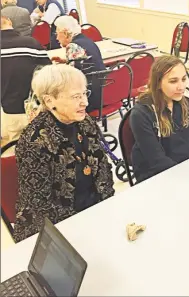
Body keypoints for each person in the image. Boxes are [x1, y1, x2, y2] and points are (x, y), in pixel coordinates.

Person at [13, 64, 115, 243]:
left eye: (85, 93)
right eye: (76, 97)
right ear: (50, 101)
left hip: (95, 214)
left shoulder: (85, 123)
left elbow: (103, 170)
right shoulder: (35, 141)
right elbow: (39, 207)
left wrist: (109, 210)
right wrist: (82, 229)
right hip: (59, 229)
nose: (85, 102)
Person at [130, 55, 189, 183]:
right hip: (155, 176)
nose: (181, 87)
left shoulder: (187, 102)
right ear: (158, 83)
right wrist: (186, 180)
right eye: (173, 81)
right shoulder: (141, 114)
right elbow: (157, 160)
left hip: (185, 170)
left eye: (184, 79)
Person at [1, 15, 50, 144]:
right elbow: (49, 73)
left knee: (16, 146)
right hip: (36, 107)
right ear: (10, 22)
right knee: (43, 144)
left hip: (10, 108)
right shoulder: (31, 43)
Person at [52, 15, 106, 112]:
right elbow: (86, 61)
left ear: (65, 32)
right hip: (102, 91)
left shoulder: (73, 46)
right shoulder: (87, 40)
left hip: (89, 97)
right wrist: (65, 61)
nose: (56, 38)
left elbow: (71, 78)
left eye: (57, 33)